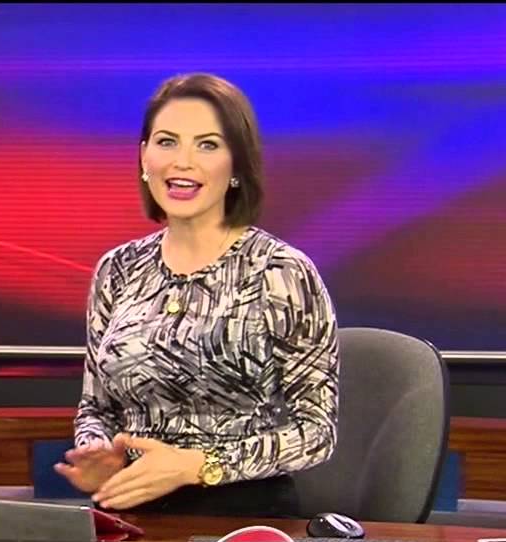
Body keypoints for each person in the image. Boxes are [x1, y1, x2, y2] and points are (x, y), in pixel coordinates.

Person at [54, 73, 339, 518]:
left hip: (248, 517)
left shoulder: (281, 271)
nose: (182, 162)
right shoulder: (118, 269)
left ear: (237, 166)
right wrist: (99, 453)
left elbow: (316, 431)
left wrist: (197, 466)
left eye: (207, 145)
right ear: (144, 156)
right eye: (167, 142)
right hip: (134, 511)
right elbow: (96, 407)